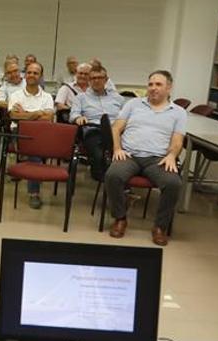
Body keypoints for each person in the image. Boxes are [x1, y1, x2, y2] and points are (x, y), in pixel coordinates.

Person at [106, 70, 186, 246]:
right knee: (113, 175)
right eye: (150, 84)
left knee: (174, 183)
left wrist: (172, 155)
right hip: (130, 155)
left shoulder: (178, 112)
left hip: (158, 159)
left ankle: (160, 227)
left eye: (158, 84)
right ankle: (120, 218)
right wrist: (117, 148)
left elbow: (178, 140)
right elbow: (116, 128)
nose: (153, 88)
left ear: (169, 87)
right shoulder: (133, 104)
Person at [8, 62, 54, 209]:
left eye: (35, 73)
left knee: (37, 150)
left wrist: (25, 114)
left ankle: (34, 174)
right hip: (20, 132)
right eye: (29, 72)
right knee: (35, 154)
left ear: (40, 76)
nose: (31, 75)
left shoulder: (47, 97)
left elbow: (48, 118)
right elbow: (14, 116)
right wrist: (36, 113)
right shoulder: (15, 95)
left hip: (43, 133)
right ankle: (34, 193)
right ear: (25, 74)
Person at [69, 64, 125, 181]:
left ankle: (120, 183)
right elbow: (73, 114)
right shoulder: (81, 98)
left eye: (100, 78)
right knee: (99, 155)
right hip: (94, 130)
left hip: (117, 131)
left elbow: (127, 115)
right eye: (93, 78)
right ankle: (105, 180)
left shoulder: (117, 98)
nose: (96, 81)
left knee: (127, 155)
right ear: (89, 81)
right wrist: (78, 118)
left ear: (106, 80)